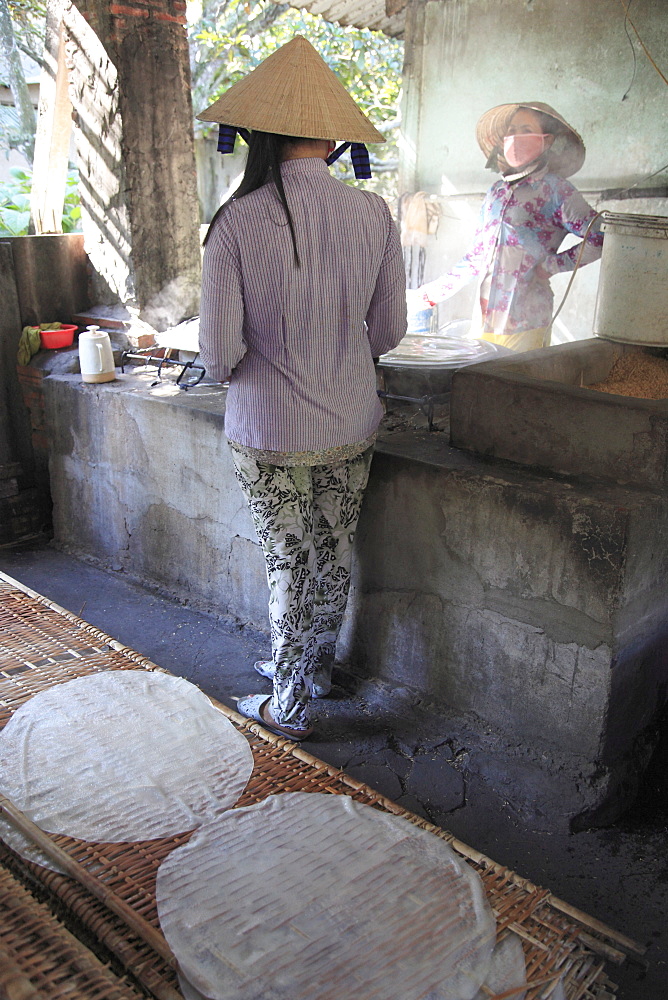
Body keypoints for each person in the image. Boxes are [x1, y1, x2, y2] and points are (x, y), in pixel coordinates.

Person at [197, 36, 407, 742]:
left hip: (268, 432)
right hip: (351, 419)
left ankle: (287, 703)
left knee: (287, 557)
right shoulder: (373, 215)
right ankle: (312, 666)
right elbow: (389, 330)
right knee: (334, 544)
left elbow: (220, 354)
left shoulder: (233, 222)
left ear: (259, 135)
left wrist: (253, 367)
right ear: (331, 138)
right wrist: (339, 360)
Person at [410, 102, 604, 352]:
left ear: (547, 141)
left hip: (527, 320)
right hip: (485, 318)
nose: (516, 137)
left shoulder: (555, 190)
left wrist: (552, 265)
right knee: (481, 386)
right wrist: (430, 294)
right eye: (511, 130)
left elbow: (600, 236)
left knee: (515, 387)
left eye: (526, 129)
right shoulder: (496, 192)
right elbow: (476, 258)